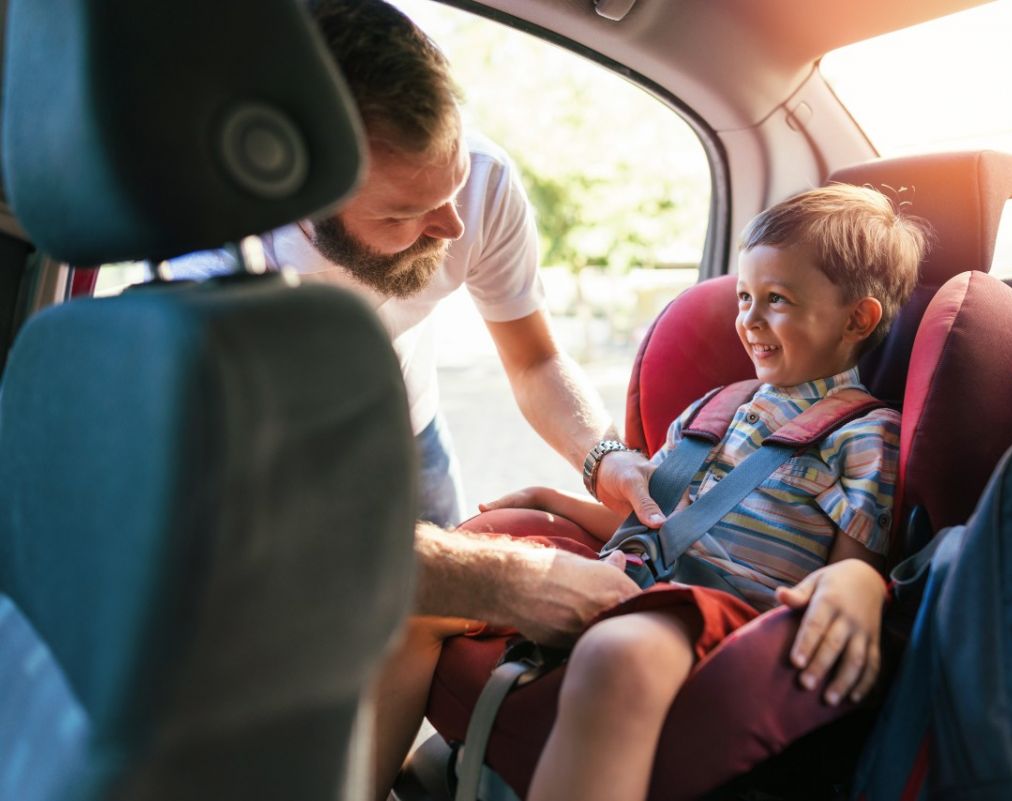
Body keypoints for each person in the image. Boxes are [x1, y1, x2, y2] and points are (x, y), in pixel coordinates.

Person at [366, 183, 928, 801]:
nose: (749, 319)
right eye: (744, 297)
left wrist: (861, 586)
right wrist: (552, 503)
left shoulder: (865, 434)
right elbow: (657, 528)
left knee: (620, 651)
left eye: (777, 300)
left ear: (858, 318)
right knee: (415, 603)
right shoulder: (715, 408)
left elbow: (853, 570)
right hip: (634, 579)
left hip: (722, 616)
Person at [167, 0, 663, 531]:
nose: (452, 227)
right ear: (304, 197)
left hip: (413, 431)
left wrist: (602, 455)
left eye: (452, 185)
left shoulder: (483, 185)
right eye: (405, 212)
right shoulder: (214, 260)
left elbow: (534, 360)